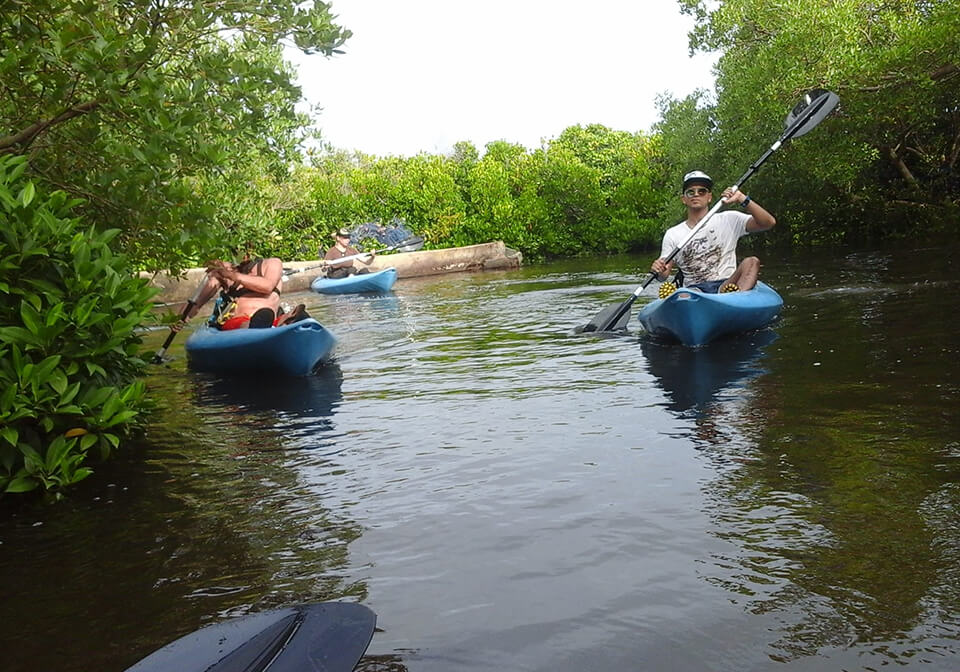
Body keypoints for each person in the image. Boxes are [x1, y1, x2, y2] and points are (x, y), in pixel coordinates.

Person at [651, 170, 776, 293]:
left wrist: (742, 199)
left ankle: (737, 300)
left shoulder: (729, 219)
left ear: (709, 197)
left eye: (702, 191)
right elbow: (664, 275)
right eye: (690, 192)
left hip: (727, 285)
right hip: (695, 291)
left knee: (752, 262)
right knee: (684, 295)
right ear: (684, 199)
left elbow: (768, 223)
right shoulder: (673, 234)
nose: (696, 194)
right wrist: (660, 271)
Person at [172, 253, 308, 332]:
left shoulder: (272, 263)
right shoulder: (224, 272)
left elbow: (267, 286)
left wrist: (233, 276)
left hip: (270, 320)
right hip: (238, 323)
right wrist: (180, 318)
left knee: (292, 316)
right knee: (246, 323)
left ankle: (284, 325)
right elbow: (197, 302)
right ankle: (255, 327)